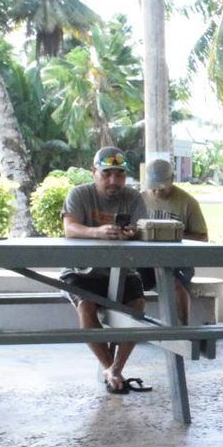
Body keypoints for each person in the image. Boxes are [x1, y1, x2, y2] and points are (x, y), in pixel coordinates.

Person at [63, 146, 152, 395]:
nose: (114, 181)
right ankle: (111, 369)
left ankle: (115, 369)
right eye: (107, 174)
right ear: (94, 172)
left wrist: (133, 232)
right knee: (86, 306)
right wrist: (97, 232)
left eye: (120, 175)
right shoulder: (79, 194)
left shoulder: (134, 198)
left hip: (123, 269)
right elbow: (70, 228)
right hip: (81, 269)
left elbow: (141, 227)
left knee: (138, 307)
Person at [139, 157, 207, 324]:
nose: (157, 191)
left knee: (175, 286)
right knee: (125, 284)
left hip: (178, 260)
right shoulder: (139, 199)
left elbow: (202, 237)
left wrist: (171, 235)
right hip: (144, 260)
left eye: (162, 186)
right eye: (153, 187)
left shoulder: (188, 202)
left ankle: (182, 331)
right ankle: (129, 331)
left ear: (172, 179)